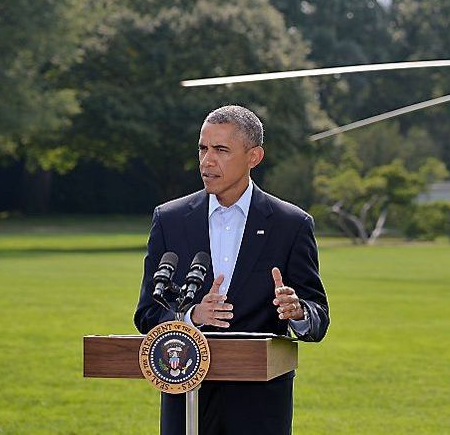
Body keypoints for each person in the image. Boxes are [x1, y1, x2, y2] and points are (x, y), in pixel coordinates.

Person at [135, 105, 330, 435]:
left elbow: (317, 317)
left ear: (254, 157)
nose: (207, 160)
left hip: (260, 405)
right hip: (186, 396)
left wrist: (296, 311)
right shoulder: (169, 219)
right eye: (203, 148)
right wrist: (192, 316)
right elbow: (147, 314)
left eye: (221, 150)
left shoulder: (291, 224)